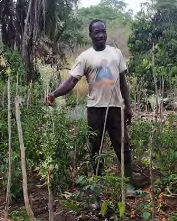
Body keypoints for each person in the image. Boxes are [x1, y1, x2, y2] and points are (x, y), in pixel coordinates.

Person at [46, 19, 136, 198]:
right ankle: (97, 189)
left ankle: (129, 185)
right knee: (96, 150)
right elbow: (71, 81)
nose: (101, 35)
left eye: (103, 31)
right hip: (95, 110)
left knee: (123, 147)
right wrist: (54, 94)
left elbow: (123, 82)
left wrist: (128, 106)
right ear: (90, 35)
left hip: (115, 108)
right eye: (96, 32)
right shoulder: (85, 57)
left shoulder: (116, 54)